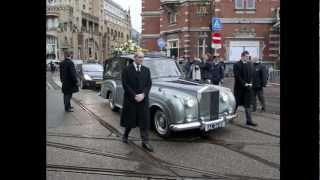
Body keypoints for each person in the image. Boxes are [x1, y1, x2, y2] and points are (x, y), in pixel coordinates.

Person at [121, 51, 154, 152]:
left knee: (144, 121)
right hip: (131, 99)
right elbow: (125, 84)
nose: (141, 59)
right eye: (139, 57)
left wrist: (143, 94)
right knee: (130, 120)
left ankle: (145, 142)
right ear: (134, 58)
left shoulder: (146, 70)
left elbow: (149, 84)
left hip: (143, 99)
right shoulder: (126, 70)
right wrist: (134, 95)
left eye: (142, 58)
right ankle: (125, 135)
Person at [233, 51, 257, 126]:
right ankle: (230, 117)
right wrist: (245, 84)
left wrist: (251, 83)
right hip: (239, 89)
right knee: (235, 104)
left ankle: (249, 121)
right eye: (246, 56)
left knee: (248, 104)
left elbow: (253, 75)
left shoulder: (250, 64)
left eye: (248, 56)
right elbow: (237, 76)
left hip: (248, 88)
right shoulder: (236, 64)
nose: (248, 58)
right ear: (242, 56)